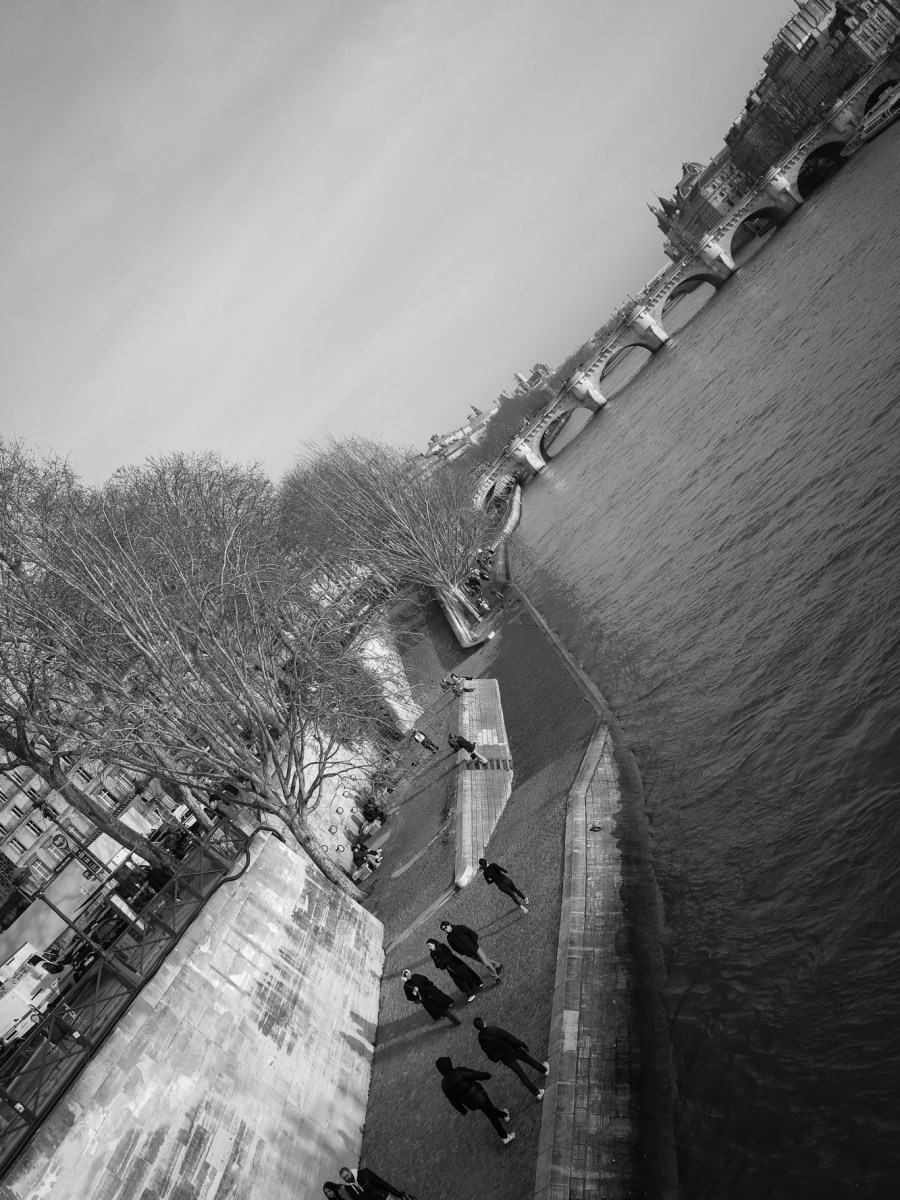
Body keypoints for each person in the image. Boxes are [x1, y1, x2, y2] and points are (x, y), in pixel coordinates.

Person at [435, 1056, 515, 1145]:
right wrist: (486, 1075)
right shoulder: (458, 1071)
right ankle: (504, 1136)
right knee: (491, 1115)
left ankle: (504, 1114)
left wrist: (462, 1110)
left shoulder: (444, 1085)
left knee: (488, 1109)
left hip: (470, 1103)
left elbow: (453, 1101)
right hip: (478, 1095)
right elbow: (474, 1075)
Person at [473, 1016, 550, 1099]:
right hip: (513, 1050)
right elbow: (509, 1037)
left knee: (521, 1075)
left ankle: (537, 1093)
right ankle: (544, 1070)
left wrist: (497, 1059)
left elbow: (488, 1052)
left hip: (505, 1058)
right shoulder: (494, 1029)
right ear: (483, 1022)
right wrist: (521, 1044)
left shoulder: (481, 1040)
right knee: (529, 1060)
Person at [338, 1164, 417, 1199]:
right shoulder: (348, 1187)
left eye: (347, 1175)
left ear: (350, 1171)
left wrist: (398, 1194)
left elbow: (381, 1182)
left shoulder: (364, 1173)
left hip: (384, 1197)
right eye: (344, 1178)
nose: (347, 1179)